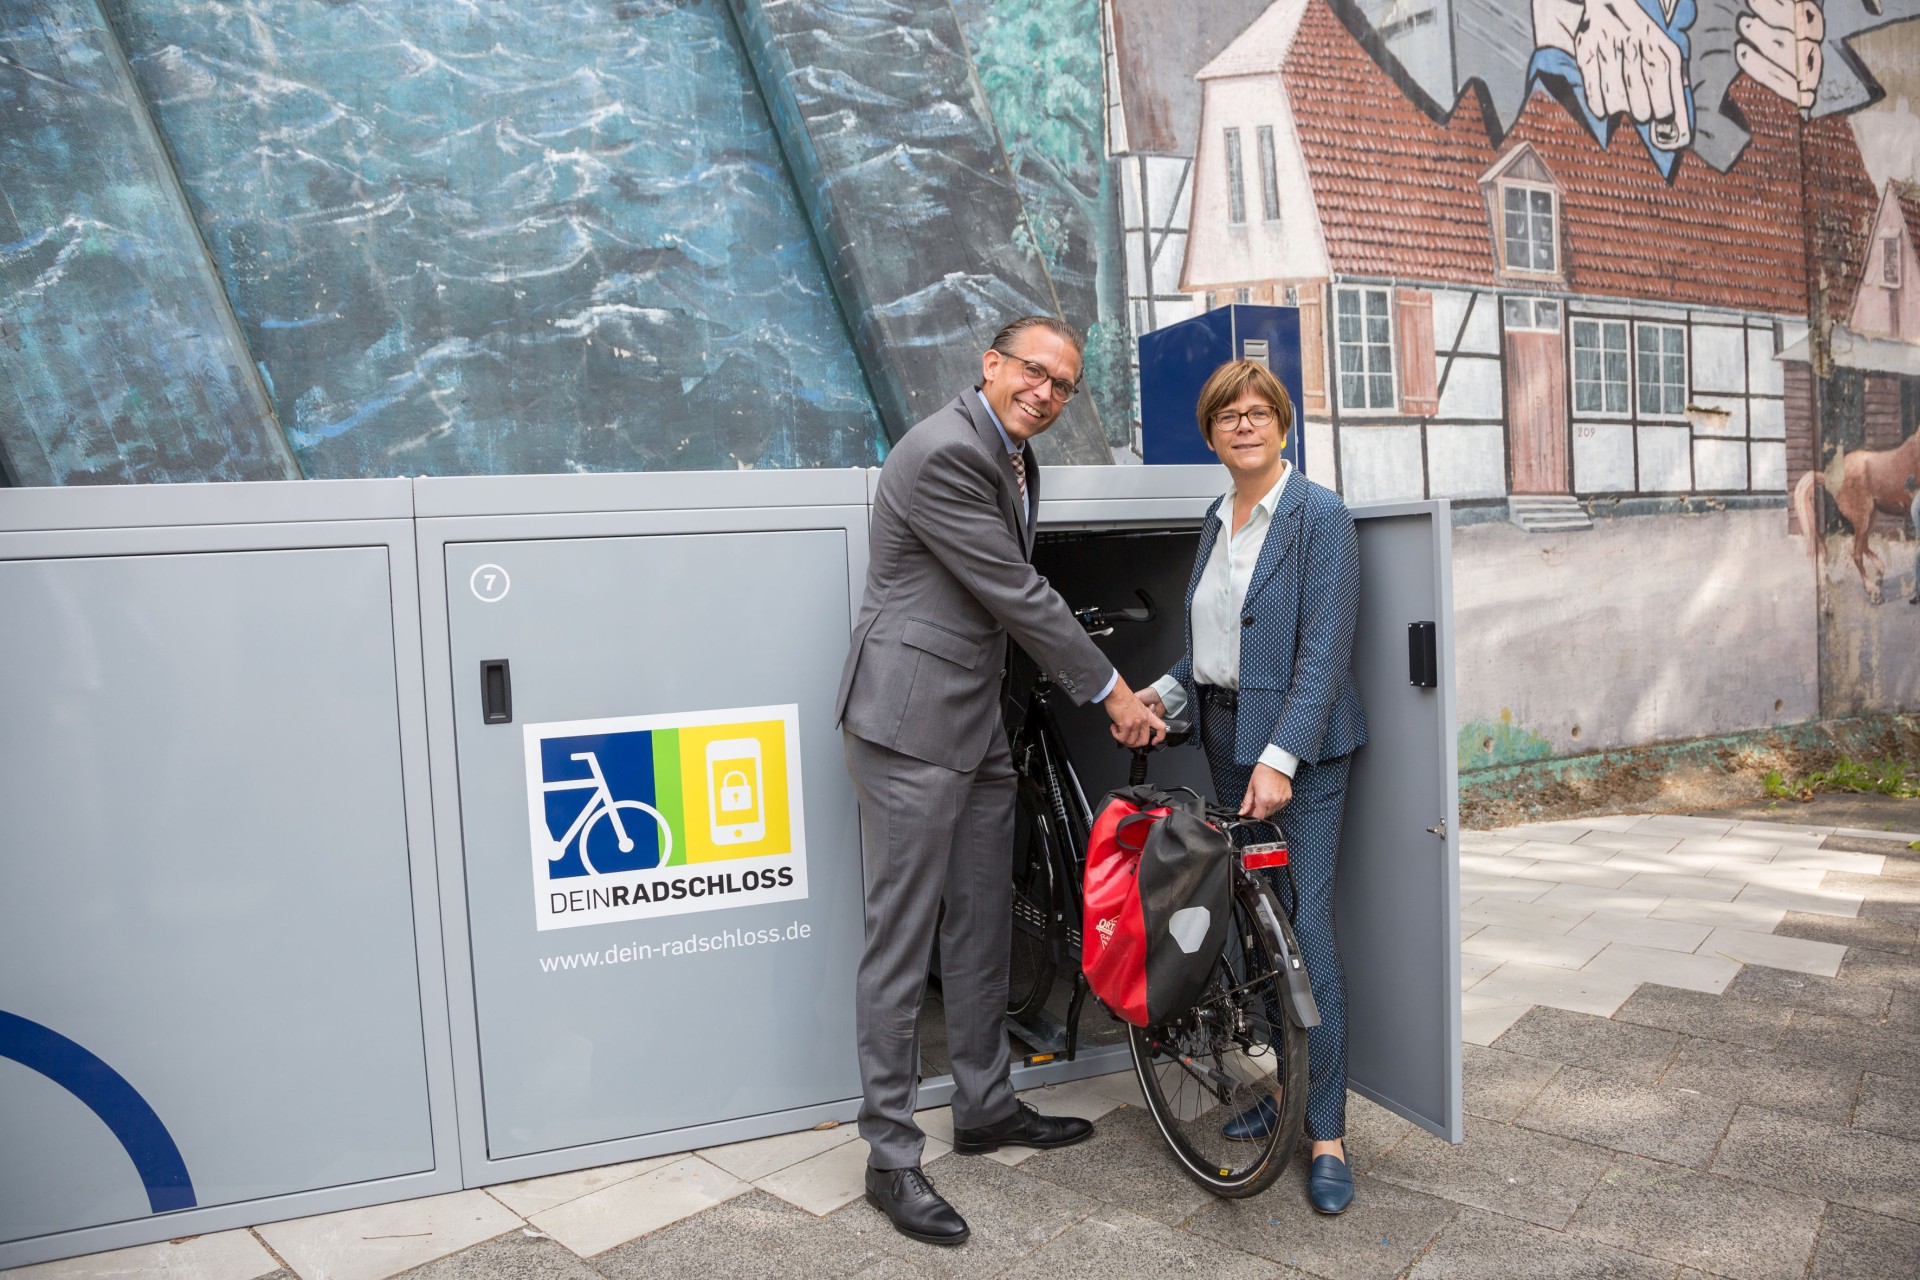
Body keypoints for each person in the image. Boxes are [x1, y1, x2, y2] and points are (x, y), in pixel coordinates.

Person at [835, 315, 1165, 1246]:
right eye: (1034, 372)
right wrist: (1109, 689)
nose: (1047, 393)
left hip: (973, 720)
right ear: (990, 364)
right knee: (901, 943)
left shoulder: (1014, 455)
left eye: (1064, 385)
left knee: (980, 919)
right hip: (908, 722)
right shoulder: (946, 450)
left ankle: (984, 1106)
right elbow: (1013, 591)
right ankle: (890, 1157)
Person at [1138, 358, 1367, 1215]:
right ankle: (1288, 1091)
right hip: (1229, 748)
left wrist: (1280, 759)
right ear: (1210, 434)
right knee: (1259, 930)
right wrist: (1153, 701)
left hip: (1299, 758)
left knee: (1304, 930)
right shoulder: (1216, 518)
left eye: (1258, 411)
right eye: (1227, 415)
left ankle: (1329, 1131)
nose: (1244, 424)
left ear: (1282, 424)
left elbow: (1322, 659)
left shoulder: (1318, 516)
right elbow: (1208, 648)